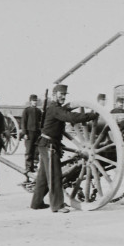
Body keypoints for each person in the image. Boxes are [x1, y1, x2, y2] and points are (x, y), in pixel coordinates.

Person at [30, 84, 98, 213]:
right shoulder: (54, 108)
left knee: (43, 176)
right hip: (48, 145)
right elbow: (70, 117)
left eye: (64, 95)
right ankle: (57, 205)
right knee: (55, 175)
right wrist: (91, 115)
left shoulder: (56, 108)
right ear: (54, 95)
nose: (63, 97)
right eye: (61, 95)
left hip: (48, 144)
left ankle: (36, 203)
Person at [21, 94, 42, 173]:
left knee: (36, 151)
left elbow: (41, 122)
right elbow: (23, 122)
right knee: (29, 150)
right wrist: (25, 133)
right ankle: (28, 167)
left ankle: (34, 166)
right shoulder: (27, 110)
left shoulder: (39, 111)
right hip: (29, 133)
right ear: (30, 101)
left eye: (36, 101)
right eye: (33, 101)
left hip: (37, 133)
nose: (35, 102)